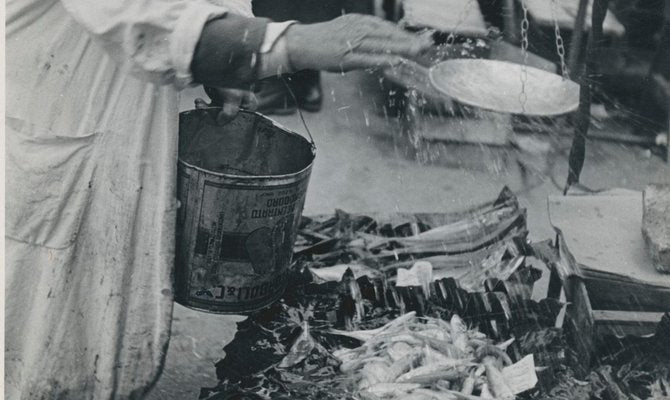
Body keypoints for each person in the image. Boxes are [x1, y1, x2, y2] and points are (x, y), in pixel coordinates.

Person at [5, 0, 431, 398]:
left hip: (123, 94)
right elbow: (134, 14)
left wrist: (225, 58)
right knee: (37, 313)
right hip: (58, 94)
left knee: (98, 300)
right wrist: (280, 44)